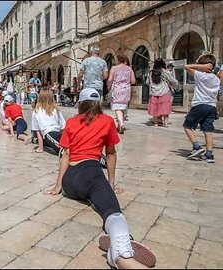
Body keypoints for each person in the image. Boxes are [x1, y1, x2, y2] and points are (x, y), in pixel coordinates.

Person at [45, 88, 155, 269]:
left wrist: (58, 186)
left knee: (95, 194)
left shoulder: (71, 122)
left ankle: (120, 248)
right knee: (111, 209)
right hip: (91, 174)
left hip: (70, 183)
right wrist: (111, 184)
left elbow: (66, 155)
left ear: (80, 103)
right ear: (99, 104)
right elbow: (110, 154)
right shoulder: (107, 121)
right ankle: (122, 253)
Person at [184, 54, 220, 163]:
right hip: (211, 107)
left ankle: (196, 147)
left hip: (200, 105)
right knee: (207, 130)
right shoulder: (217, 79)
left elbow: (186, 66)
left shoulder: (201, 75)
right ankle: (209, 154)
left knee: (187, 126)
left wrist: (201, 67)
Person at [108, 52, 136, 134]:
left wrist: (109, 86)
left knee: (117, 107)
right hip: (126, 89)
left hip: (117, 89)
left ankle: (121, 123)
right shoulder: (129, 69)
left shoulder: (114, 68)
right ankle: (119, 126)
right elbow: (133, 81)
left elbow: (110, 79)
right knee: (124, 107)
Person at [32, 89, 66, 154]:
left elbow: (38, 131)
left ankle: (37, 141)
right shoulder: (55, 109)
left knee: (63, 151)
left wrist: (40, 148)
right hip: (56, 133)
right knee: (64, 151)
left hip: (49, 134)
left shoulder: (36, 111)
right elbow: (63, 127)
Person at [147, 58, 179, 127]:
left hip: (154, 92)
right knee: (165, 108)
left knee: (155, 108)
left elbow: (147, 82)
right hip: (164, 91)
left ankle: (156, 123)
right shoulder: (164, 71)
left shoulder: (150, 72)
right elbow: (172, 80)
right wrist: (177, 85)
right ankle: (166, 123)